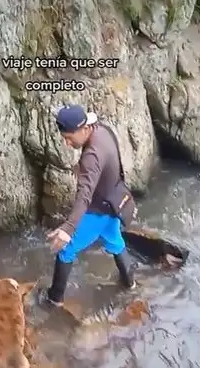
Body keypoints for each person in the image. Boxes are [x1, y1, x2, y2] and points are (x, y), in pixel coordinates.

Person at [45, 104, 137, 306]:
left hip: (99, 210)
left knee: (66, 250)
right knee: (115, 242)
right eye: (64, 138)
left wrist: (68, 229)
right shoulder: (103, 130)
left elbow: (84, 195)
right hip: (115, 202)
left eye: (69, 138)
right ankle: (130, 285)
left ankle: (54, 300)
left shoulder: (91, 157)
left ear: (84, 129)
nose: (67, 143)